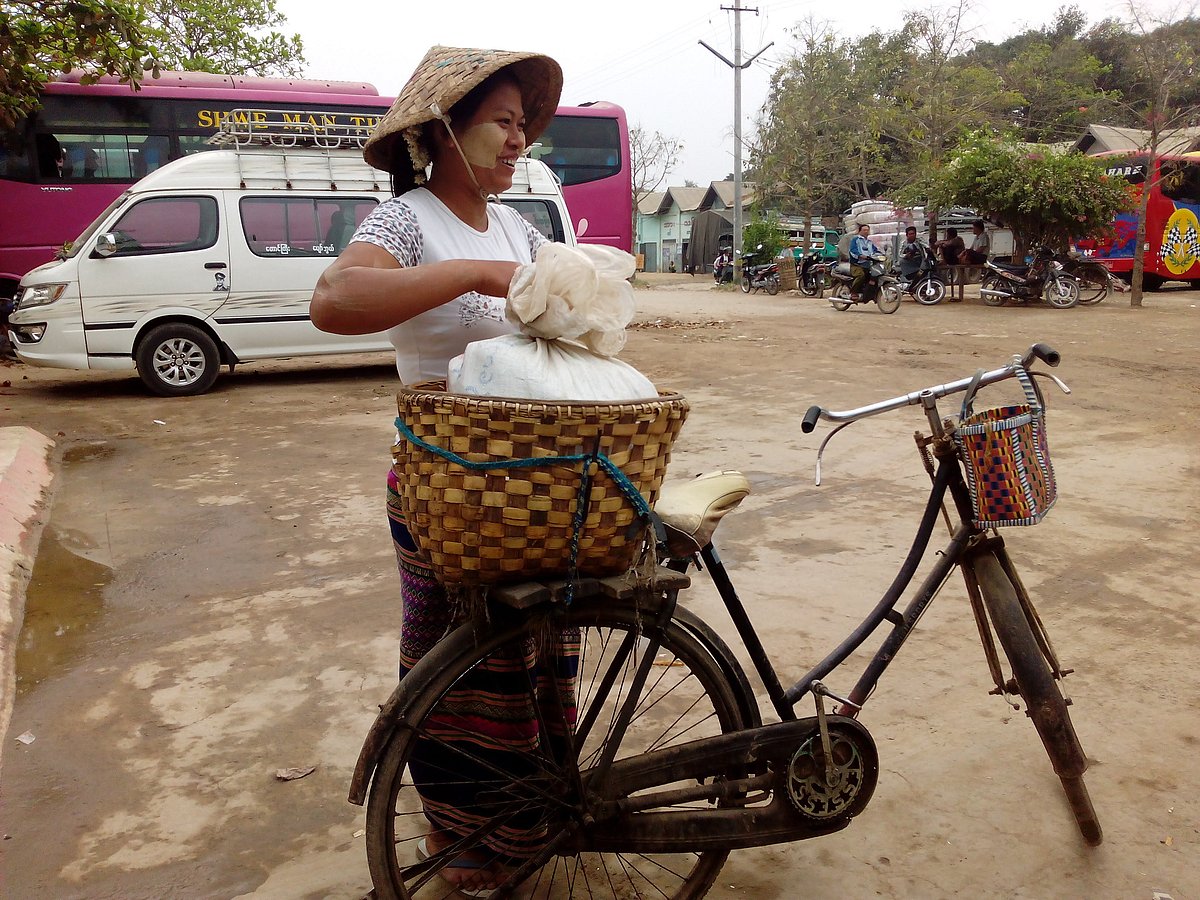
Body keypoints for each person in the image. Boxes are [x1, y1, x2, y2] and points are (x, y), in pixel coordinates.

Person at [311, 45, 565, 895]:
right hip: (444, 485)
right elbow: (334, 303)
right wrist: (473, 274)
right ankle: (462, 839)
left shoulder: (521, 224)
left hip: (535, 481)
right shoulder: (406, 222)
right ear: (446, 133)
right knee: (454, 666)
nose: (518, 138)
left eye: (522, 123)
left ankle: (526, 821)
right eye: (501, 121)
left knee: (535, 657)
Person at [848, 223, 879, 298]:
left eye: (867, 230)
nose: (866, 232)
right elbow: (852, 250)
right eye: (864, 230)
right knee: (861, 276)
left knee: (875, 276)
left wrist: (882, 255)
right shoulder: (855, 240)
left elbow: (875, 251)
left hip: (868, 265)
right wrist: (860, 256)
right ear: (860, 231)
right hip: (857, 265)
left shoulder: (869, 242)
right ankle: (853, 292)